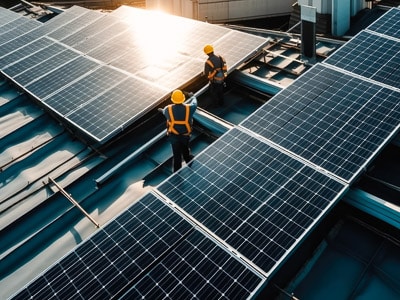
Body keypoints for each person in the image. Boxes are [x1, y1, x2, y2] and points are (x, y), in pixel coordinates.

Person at [158, 89, 197, 172]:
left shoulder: (167, 109)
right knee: (185, 149)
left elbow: (164, 112)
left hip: (173, 136)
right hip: (185, 135)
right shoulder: (189, 108)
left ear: (173, 99)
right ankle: (188, 161)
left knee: (176, 154)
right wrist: (193, 96)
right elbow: (195, 103)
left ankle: (176, 171)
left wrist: (161, 110)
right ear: (183, 98)